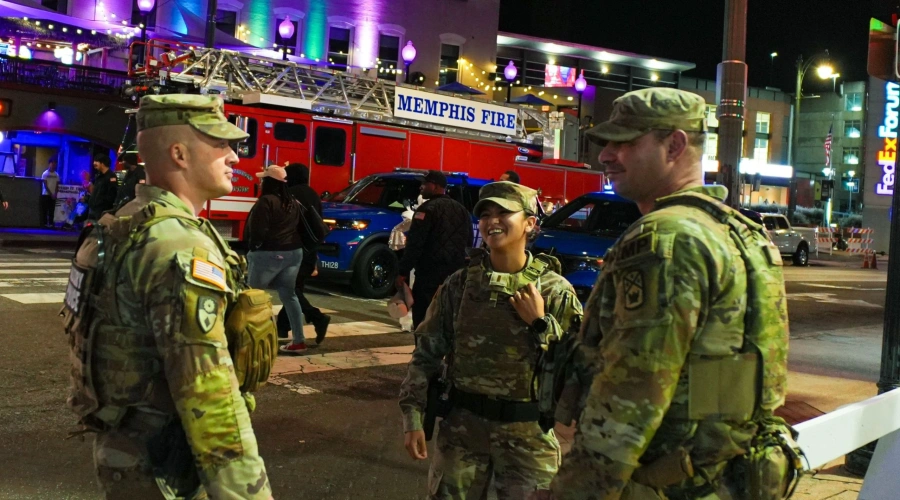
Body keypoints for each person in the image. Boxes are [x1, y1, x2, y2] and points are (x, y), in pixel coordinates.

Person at [546, 88, 790, 499]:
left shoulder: (665, 238)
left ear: (674, 144)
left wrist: (572, 492)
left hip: (666, 485)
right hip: (725, 479)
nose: (606, 155)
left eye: (624, 142)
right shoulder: (742, 234)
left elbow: (631, 395)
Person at [63, 94, 273, 499]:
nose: (234, 157)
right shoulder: (178, 246)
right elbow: (209, 397)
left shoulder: (118, 226)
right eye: (220, 144)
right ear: (179, 153)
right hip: (167, 467)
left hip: (126, 450)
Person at [400, 181, 583, 499]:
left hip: (528, 439)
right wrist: (412, 416)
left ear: (529, 222)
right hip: (462, 436)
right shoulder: (459, 285)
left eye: (503, 212)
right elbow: (426, 354)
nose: (492, 221)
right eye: (485, 214)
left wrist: (541, 323)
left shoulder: (555, 290)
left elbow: (580, 367)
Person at [395, 170, 473, 329]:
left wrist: (402, 271)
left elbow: (415, 245)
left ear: (436, 186)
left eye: (424, 183)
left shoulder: (426, 210)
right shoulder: (462, 210)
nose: (421, 187)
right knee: (446, 318)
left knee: (423, 318)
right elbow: (469, 242)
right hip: (454, 276)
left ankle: (422, 352)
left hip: (428, 276)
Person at [247, 164, 310, 355]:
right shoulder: (293, 202)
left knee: (252, 297)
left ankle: (251, 340)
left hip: (269, 253)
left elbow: (258, 231)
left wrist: (253, 248)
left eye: (263, 179)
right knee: (289, 295)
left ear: (269, 182)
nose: (260, 181)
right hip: (293, 252)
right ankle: (298, 340)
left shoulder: (266, 202)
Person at [275, 162, 331, 342]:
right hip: (309, 250)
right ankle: (283, 327)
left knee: (289, 288)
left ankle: (317, 317)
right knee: (294, 288)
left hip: (294, 249)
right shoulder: (312, 194)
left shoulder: (291, 194)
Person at [88, 153, 117, 220]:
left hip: (101, 211)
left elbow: (112, 195)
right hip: (94, 209)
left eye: (96, 162)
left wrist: (101, 204)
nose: (94, 163)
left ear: (102, 163)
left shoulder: (111, 176)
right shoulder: (99, 176)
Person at [40, 158, 60, 227]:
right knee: (45, 210)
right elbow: (45, 185)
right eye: (52, 163)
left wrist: (55, 193)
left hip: (53, 195)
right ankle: (44, 223)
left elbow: (57, 185)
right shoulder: (45, 173)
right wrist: (51, 194)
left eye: (55, 164)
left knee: (52, 210)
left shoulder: (56, 175)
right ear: (49, 164)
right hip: (46, 194)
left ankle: (51, 223)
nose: (53, 165)